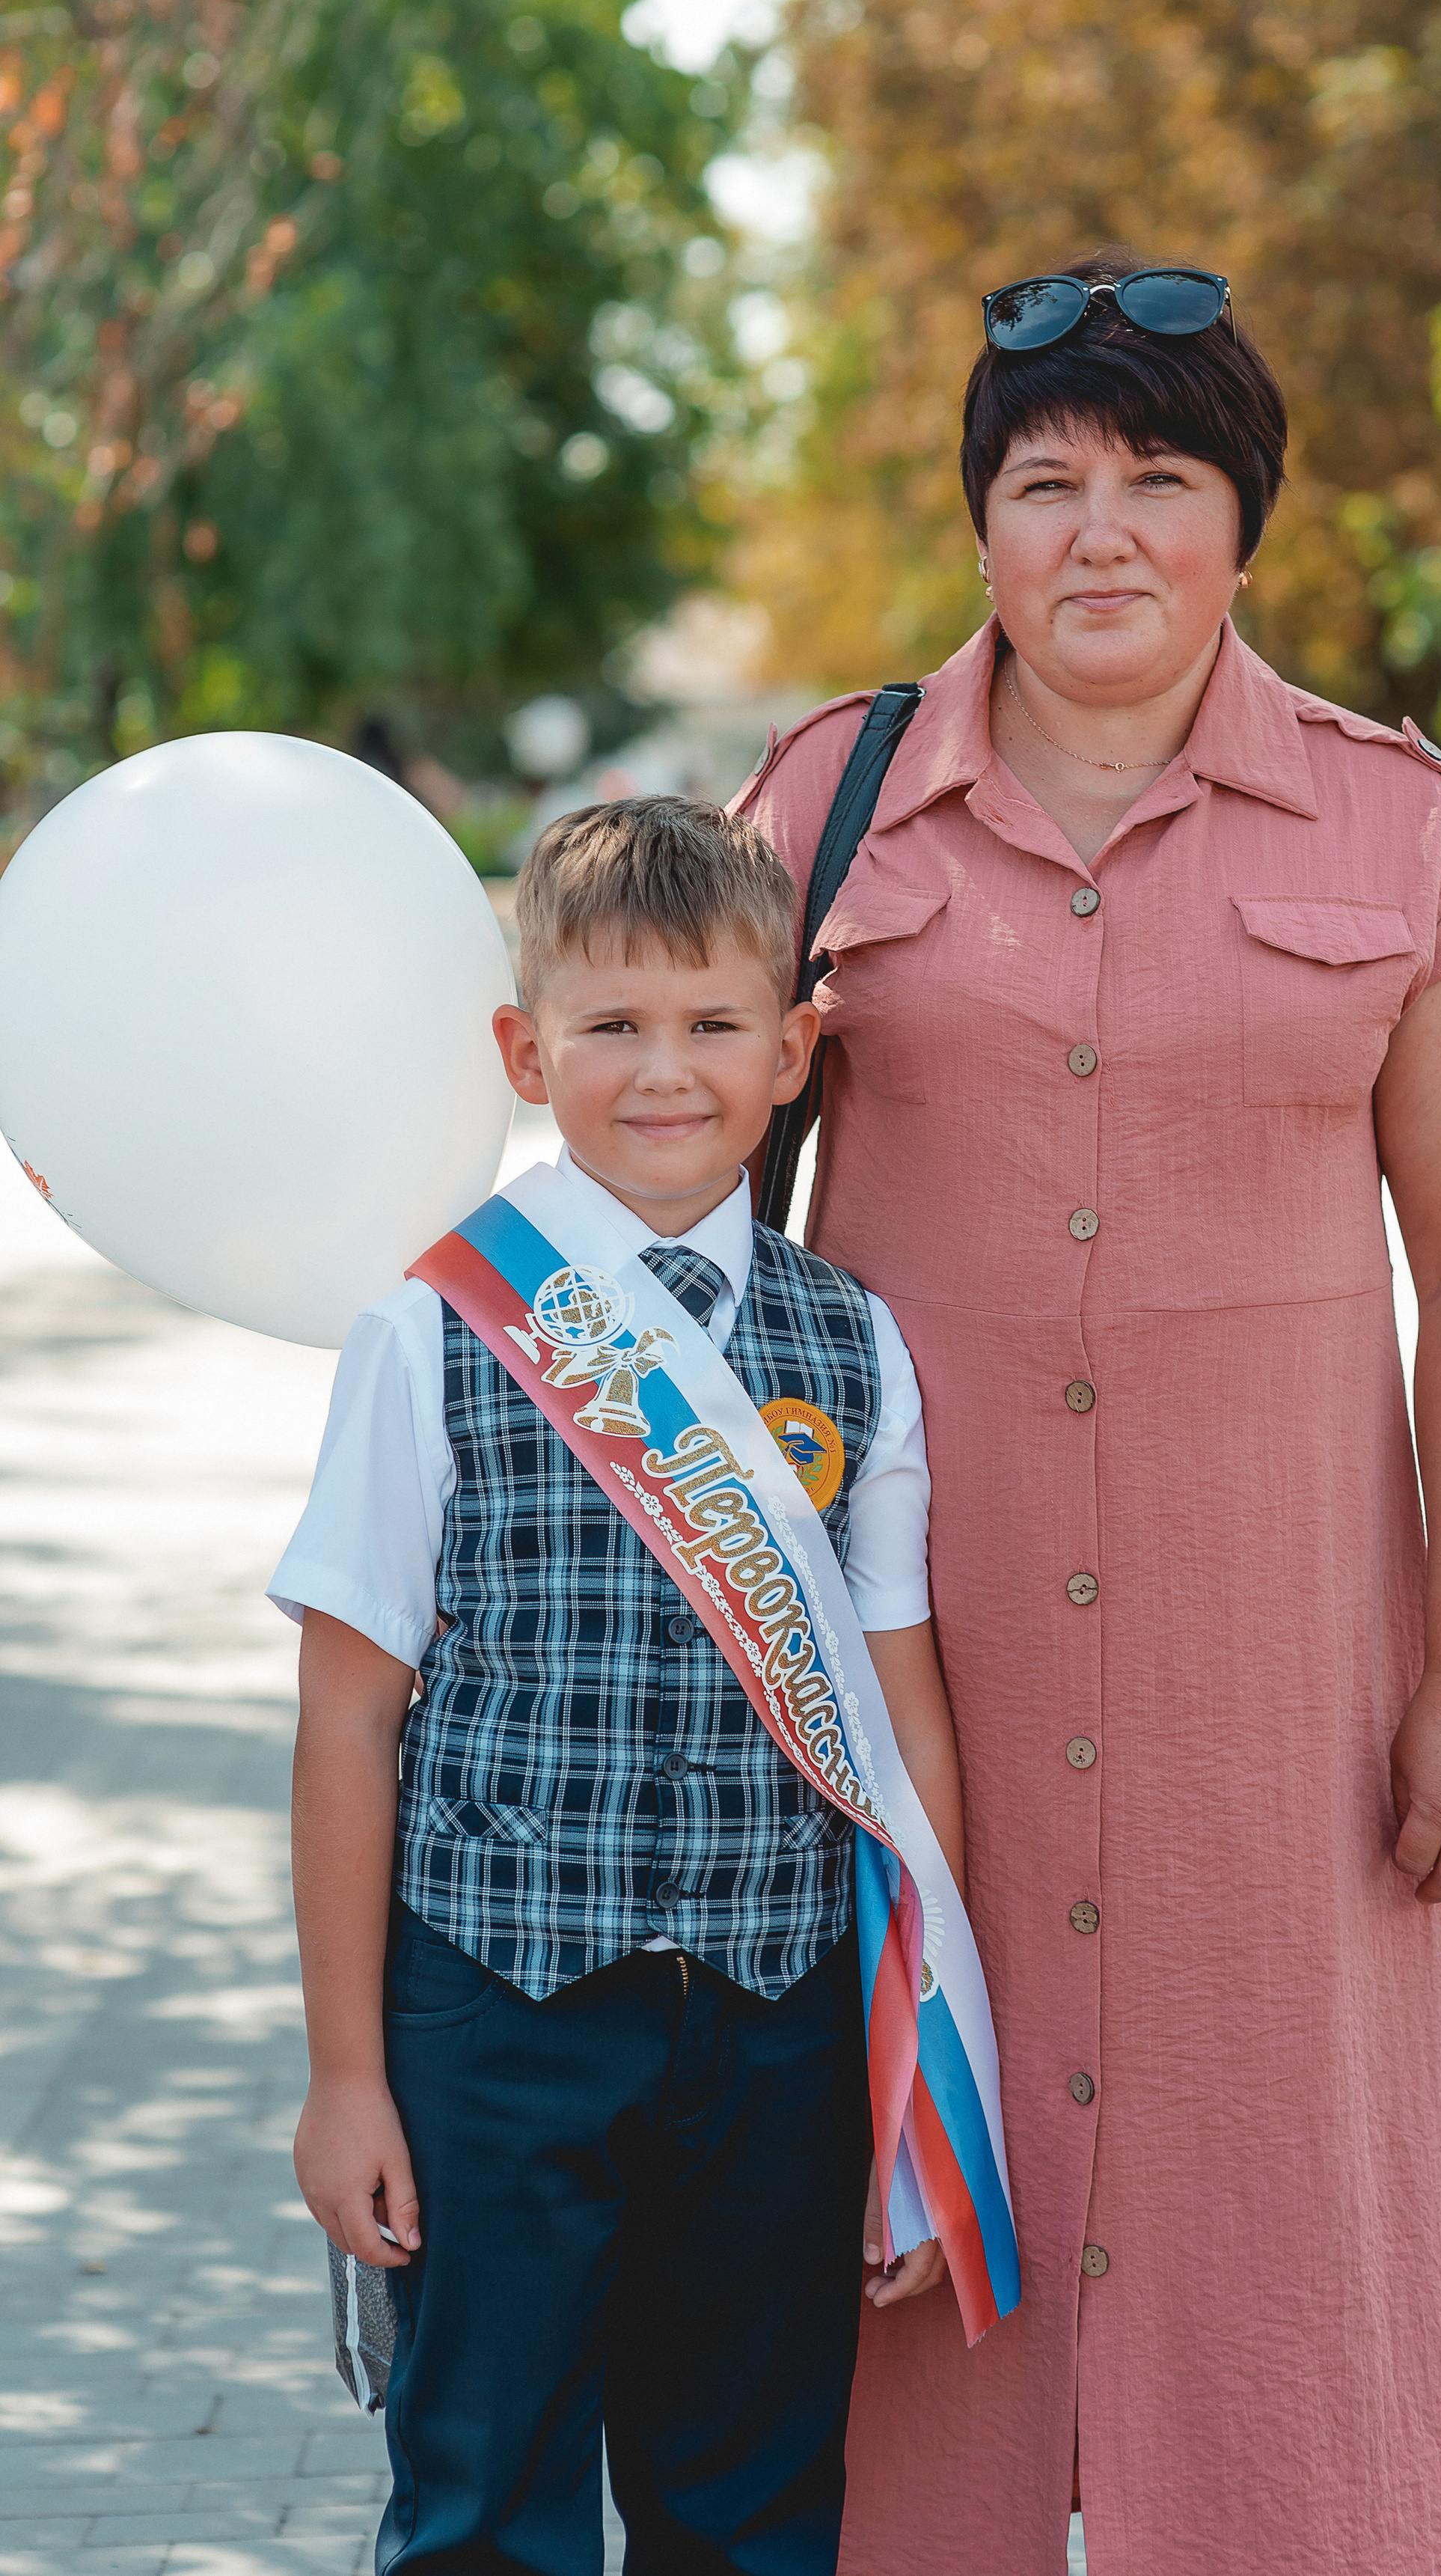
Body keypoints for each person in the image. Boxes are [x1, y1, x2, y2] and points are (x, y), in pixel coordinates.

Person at [735, 250, 1441, 2576]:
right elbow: (661, 1169)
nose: (1099, 532)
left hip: (1276, 1727)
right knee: (897, 2303)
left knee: (1292, 2324)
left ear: (1244, 522)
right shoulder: (822, 806)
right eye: (1045, 483)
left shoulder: (1404, 836)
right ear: (981, 525)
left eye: (1159, 478)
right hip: (900, 1707)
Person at [272, 798, 968, 2574]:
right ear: (526, 1051)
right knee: (482, 2504)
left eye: (716, 1024)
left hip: (780, 2021)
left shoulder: (853, 1337)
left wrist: (920, 2079)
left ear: (796, 1049)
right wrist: (346, 2075)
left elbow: (899, 1731)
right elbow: (348, 1718)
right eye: (612, 1027)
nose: (666, 1072)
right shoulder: (432, 1324)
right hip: (492, 2014)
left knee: (746, 2507)